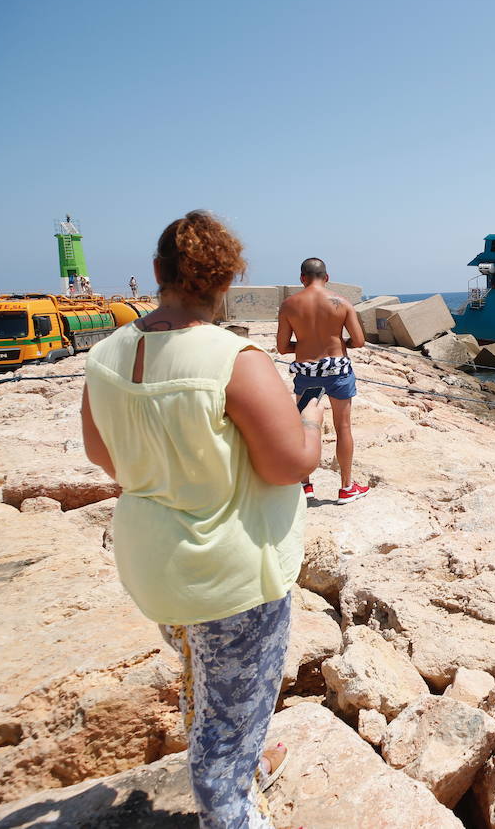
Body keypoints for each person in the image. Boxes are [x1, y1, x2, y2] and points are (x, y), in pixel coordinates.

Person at [81, 210, 322, 828]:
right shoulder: (232, 359)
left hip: (153, 565)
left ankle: (247, 756)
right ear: (226, 280)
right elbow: (288, 466)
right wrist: (313, 425)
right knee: (225, 731)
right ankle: (233, 802)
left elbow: (101, 454)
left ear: (158, 272)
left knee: (202, 669)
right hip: (229, 576)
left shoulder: (107, 355)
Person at [276, 258, 370, 504]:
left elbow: (283, 347)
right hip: (337, 370)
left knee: (305, 427)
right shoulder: (342, 303)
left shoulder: (289, 305)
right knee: (344, 428)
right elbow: (359, 341)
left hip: (306, 373)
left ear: (302, 279)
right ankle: (346, 487)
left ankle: (305, 486)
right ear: (327, 277)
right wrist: (338, 344)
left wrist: (306, 344)